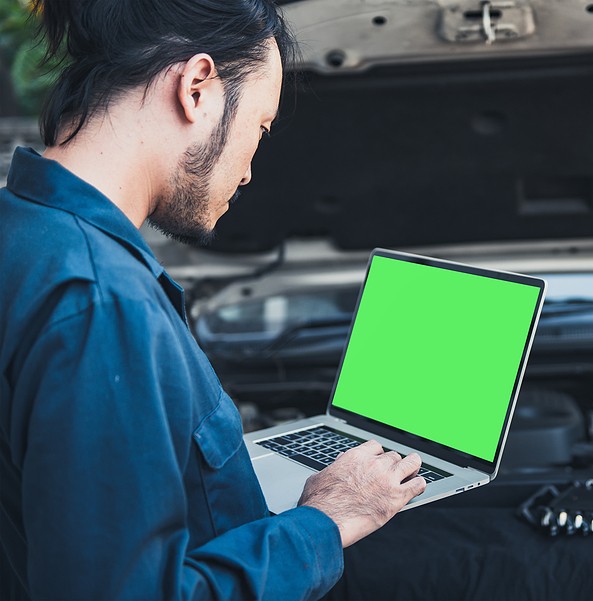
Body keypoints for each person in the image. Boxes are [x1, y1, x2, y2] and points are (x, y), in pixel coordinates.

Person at [0, 1, 426, 599]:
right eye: (259, 126)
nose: (250, 170)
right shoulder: (104, 302)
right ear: (197, 86)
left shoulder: (21, 230)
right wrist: (325, 522)